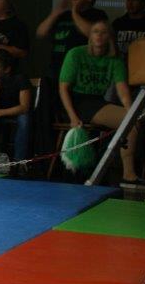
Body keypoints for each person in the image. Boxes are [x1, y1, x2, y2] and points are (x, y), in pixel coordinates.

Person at [59, 19, 138, 183]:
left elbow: (122, 90)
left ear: (110, 37)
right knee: (130, 123)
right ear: (90, 35)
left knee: (133, 120)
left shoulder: (115, 60)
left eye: (104, 32)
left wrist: (131, 110)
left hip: (97, 101)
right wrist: (72, 116)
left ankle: (126, 172)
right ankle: (128, 174)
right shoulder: (76, 54)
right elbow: (63, 88)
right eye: (95, 31)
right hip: (75, 101)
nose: (99, 35)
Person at [36, 0, 108, 80]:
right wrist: (56, 13)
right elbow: (40, 33)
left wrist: (74, 12)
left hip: (82, 69)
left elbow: (92, 34)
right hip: (57, 67)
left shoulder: (98, 15)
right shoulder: (63, 15)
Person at [0, 49, 32, 161]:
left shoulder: (20, 78)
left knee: (25, 119)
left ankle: (19, 161)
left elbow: (24, 107)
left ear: (7, 69)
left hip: (17, 111)